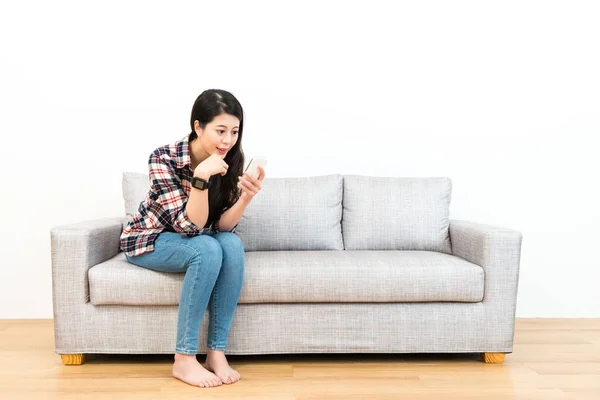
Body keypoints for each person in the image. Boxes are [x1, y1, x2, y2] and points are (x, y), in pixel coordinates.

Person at [120, 89, 265, 388]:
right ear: (198, 127)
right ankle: (184, 359)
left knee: (231, 244)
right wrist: (200, 179)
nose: (227, 140)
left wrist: (246, 198)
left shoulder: (231, 159)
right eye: (220, 131)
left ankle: (216, 352)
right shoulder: (163, 158)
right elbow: (189, 227)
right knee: (206, 249)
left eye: (234, 132)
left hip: (195, 238)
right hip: (149, 240)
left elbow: (222, 228)